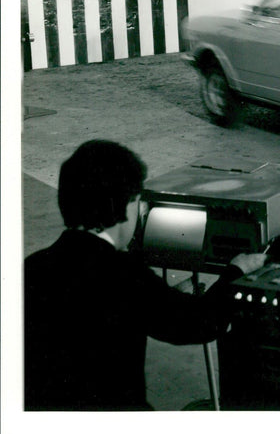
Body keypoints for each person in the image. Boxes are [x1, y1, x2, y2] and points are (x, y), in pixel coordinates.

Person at [24, 140, 266, 411]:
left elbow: (107, 313)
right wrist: (237, 271)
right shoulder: (124, 274)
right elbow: (200, 323)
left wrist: (172, 297)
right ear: (124, 206)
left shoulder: (31, 268)